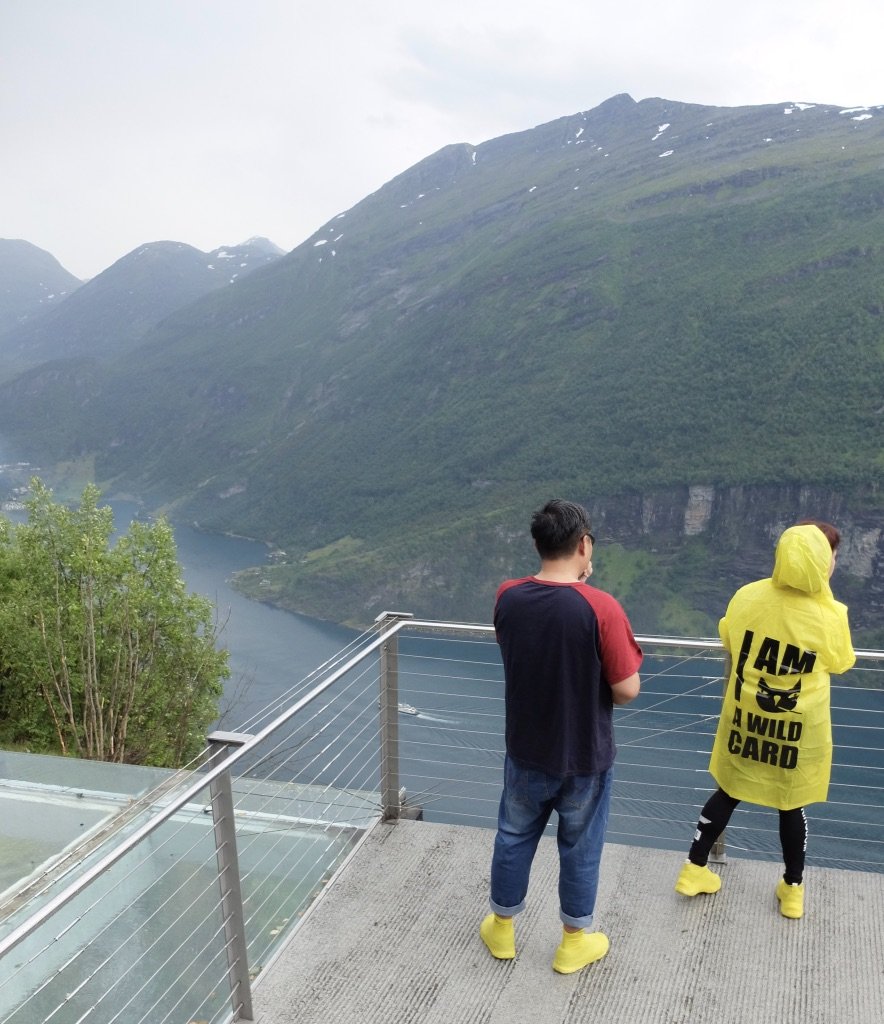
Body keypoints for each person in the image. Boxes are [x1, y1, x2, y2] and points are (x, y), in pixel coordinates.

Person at [480, 498, 642, 973]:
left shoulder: (508, 596)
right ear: (584, 545)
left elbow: (519, 643)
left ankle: (503, 930)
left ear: (537, 543)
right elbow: (627, 689)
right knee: (581, 847)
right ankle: (573, 942)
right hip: (585, 756)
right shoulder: (601, 607)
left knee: (512, 837)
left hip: (526, 750)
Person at [675, 520, 856, 919]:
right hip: (794, 733)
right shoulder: (829, 615)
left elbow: (728, 635)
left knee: (729, 789)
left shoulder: (748, 596)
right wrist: (822, 595)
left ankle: (694, 869)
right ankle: (792, 889)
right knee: (790, 805)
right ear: (823, 563)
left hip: (745, 721)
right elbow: (842, 662)